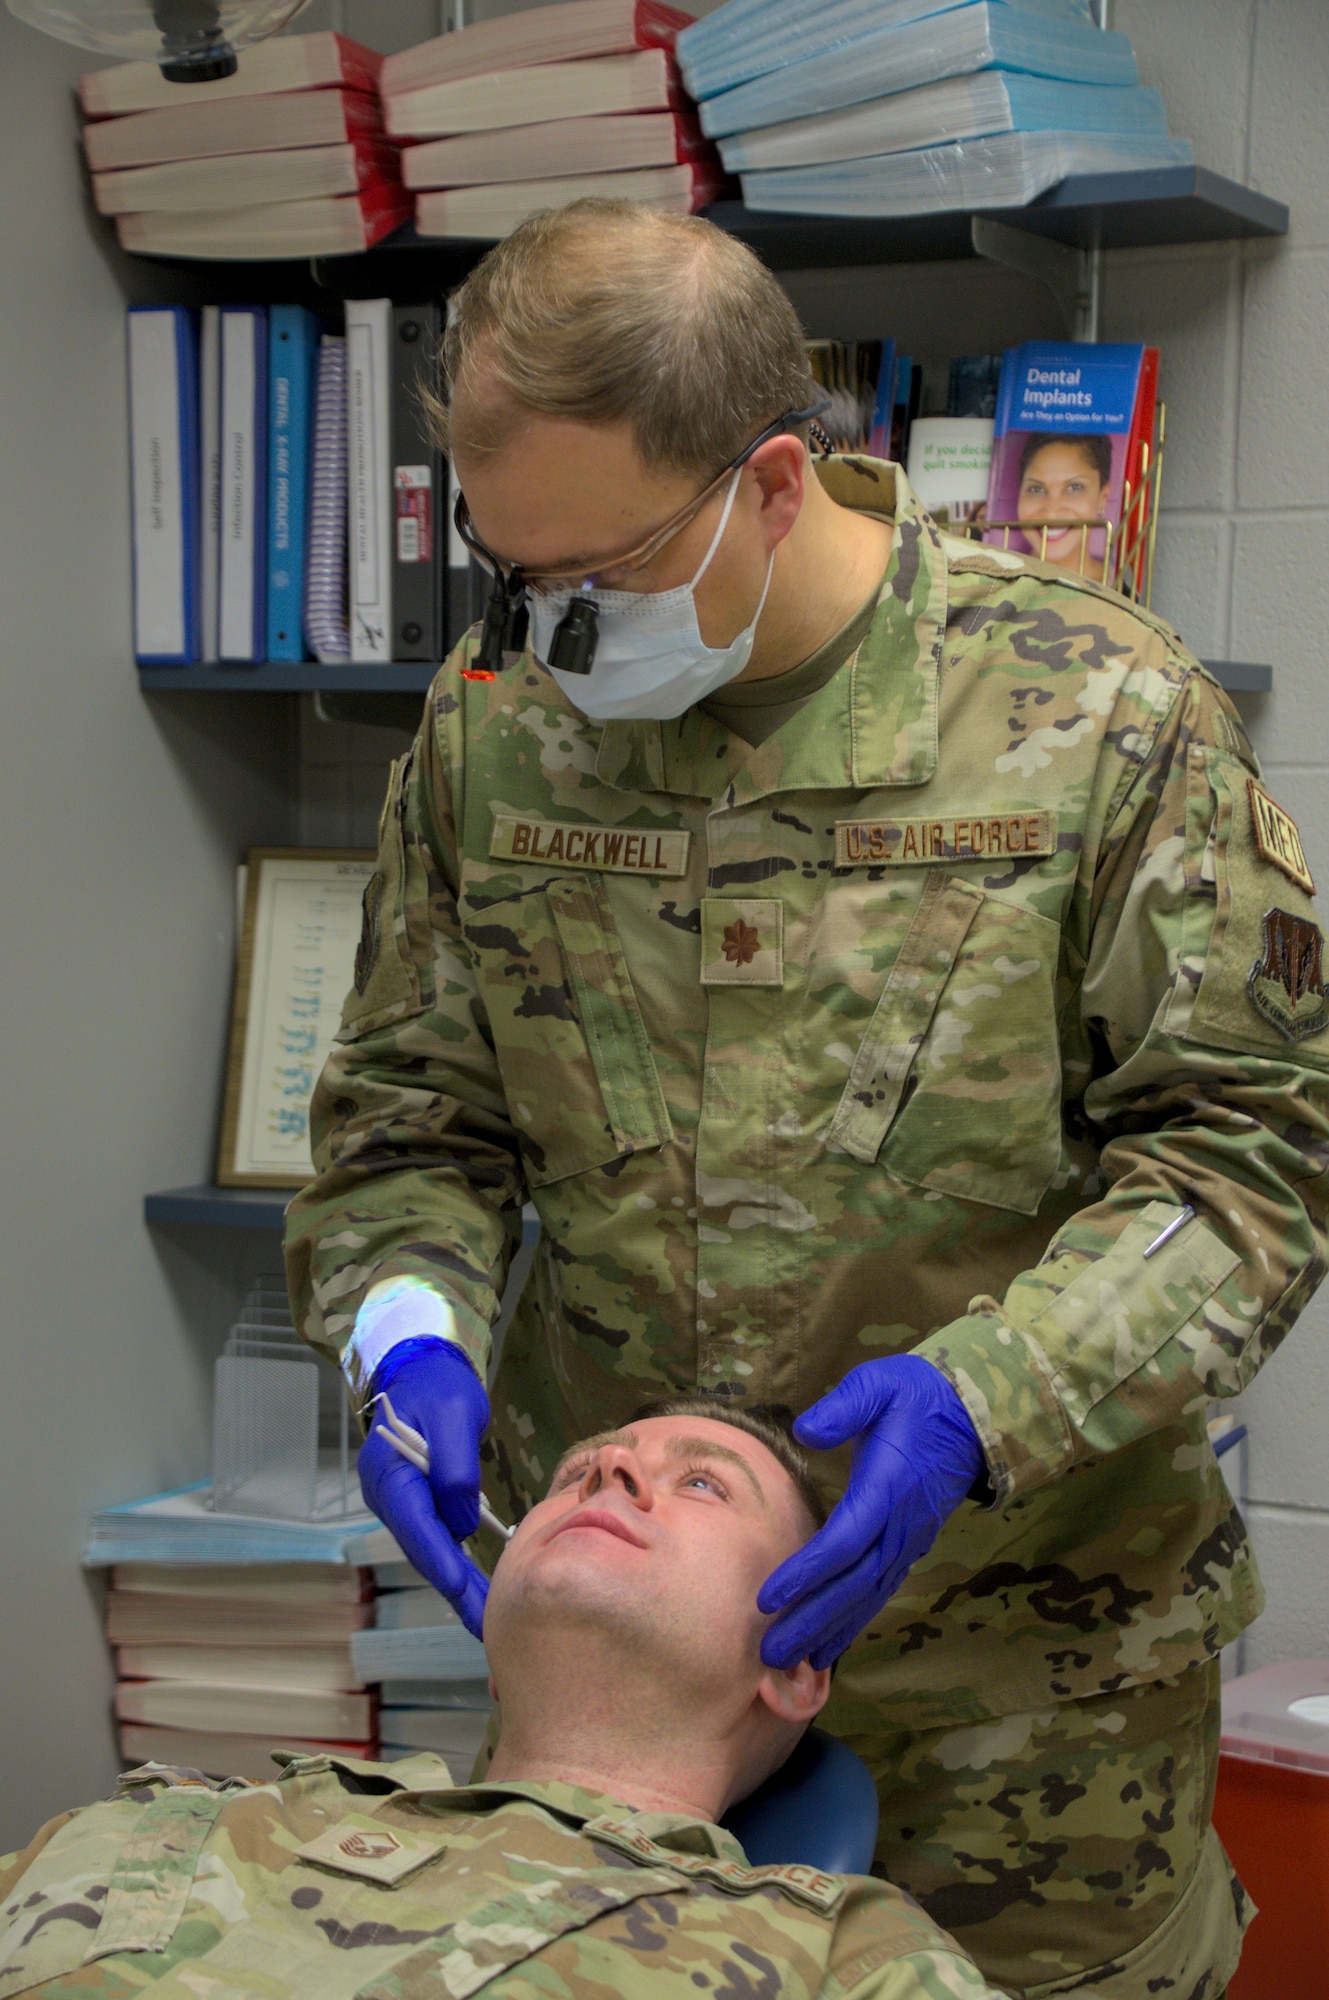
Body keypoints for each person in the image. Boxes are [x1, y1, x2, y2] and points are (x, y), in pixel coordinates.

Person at [284, 198, 1329, 1995]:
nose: (550, 638)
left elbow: (1251, 1153)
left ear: (774, 483)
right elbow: (407, 1119)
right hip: (636, 1733)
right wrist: (401, 1327)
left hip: (1032, 1705)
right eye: (506, 573)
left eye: (599, 579)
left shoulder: (1100, 717)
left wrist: (982, 1399)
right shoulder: (494, 725)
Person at [0, 1406, 1005, 2000]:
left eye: (703, 1483)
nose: (610, 1466)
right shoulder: (176, 1814)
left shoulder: (844, 1961)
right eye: (576, 1473)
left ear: (794, 1666)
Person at [1013, 431, 1113, 580]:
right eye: (1036, 489)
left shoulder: (1120, 584)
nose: (1052, 512)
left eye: (1074, 488)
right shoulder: (992, 586)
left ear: (1102, 498)